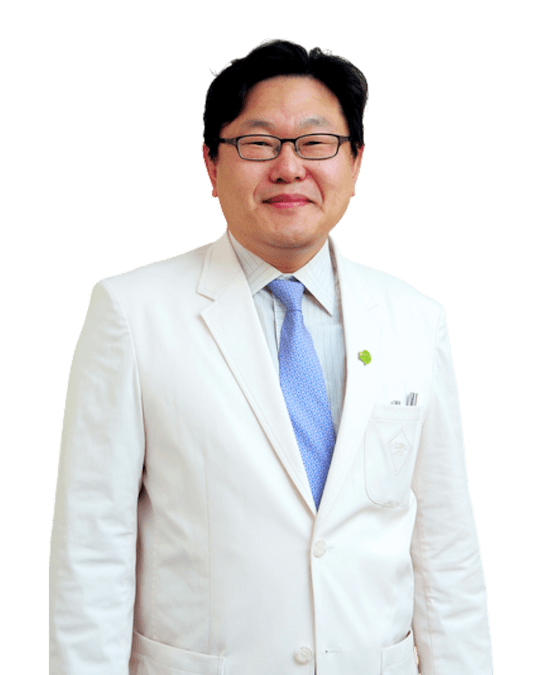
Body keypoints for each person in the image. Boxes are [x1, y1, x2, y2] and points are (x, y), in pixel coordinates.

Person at [48, 39, 493, 674]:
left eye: (316, 143)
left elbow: (446, 550)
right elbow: (92, 549)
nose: (289, 168)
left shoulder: (416, 319)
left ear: (356, 160)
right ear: (210, 163)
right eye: (258, 144)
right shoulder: (132, 311)